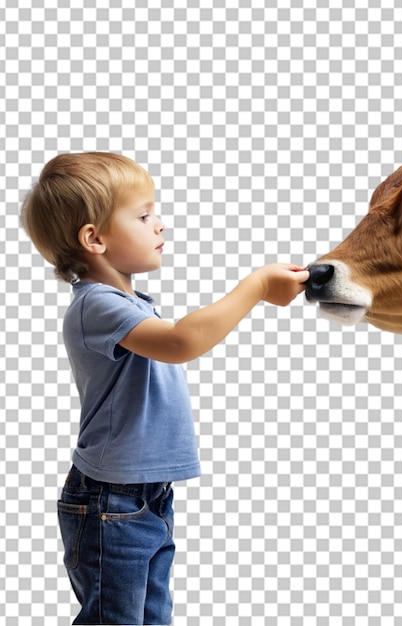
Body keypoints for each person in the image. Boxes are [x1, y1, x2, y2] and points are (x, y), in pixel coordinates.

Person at [20, 152, 310, 625]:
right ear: (93, 239)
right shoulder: (97, 306)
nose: (160, 224)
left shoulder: (131, 304)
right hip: (110, 501)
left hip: (147, 496)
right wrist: (255, 286)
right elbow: (182, 342)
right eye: (143, 214)